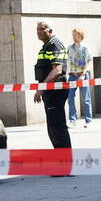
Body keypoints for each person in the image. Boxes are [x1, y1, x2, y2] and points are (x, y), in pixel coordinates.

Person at [33, 20, 71, 149]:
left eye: (42, 29)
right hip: (50, 92)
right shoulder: (46, 46)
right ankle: (59, 155)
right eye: (37, 29)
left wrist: (40, 89)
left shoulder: (55, 45)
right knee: (52, 127)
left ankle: (65, 157)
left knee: (57, 126)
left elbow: (57, 70)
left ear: (50, 30)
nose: (39, 32)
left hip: (55, 92)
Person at [67, 28, 93, 128]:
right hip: (72, 76)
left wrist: (83, 75)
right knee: (70, 98)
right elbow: (68, 61)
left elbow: (88, 61)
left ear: (81, 36)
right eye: (73, 35)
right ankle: (72, 120)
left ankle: (88, 121)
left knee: (86, 99)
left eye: (76, 35)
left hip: (82, 75)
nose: (74, 37)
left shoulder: (85, 48)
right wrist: (67, 74)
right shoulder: (70, 48)